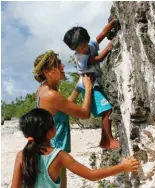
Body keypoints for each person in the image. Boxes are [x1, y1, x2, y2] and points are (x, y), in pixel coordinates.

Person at [11, 108, 140, 188]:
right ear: (50, 132)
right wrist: (123, 167)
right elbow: (91, 175)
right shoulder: (58, 156)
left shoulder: (21, 155)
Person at [33, 50, 94, 188]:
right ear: (48, 71)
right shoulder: (51, 95)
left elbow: (63, 107)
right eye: (58, 64)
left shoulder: (43, 90)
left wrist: (78, 89)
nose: (63, 67)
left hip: (46, 149)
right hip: (54, 150)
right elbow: (84, 114)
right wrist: (88, 88)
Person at [63, 19, 120, 150]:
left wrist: (112, 23)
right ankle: (109, 140)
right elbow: (99, 58)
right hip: (89, 87)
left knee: (107, 111)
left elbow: (103, 33)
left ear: (87, 40)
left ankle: (104, 141)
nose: (81, 49)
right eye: (77, 48)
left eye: (82, 45)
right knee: (107, 110)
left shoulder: (91, 45)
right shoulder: (80, 57)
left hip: (94, 85)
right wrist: (112, 43)